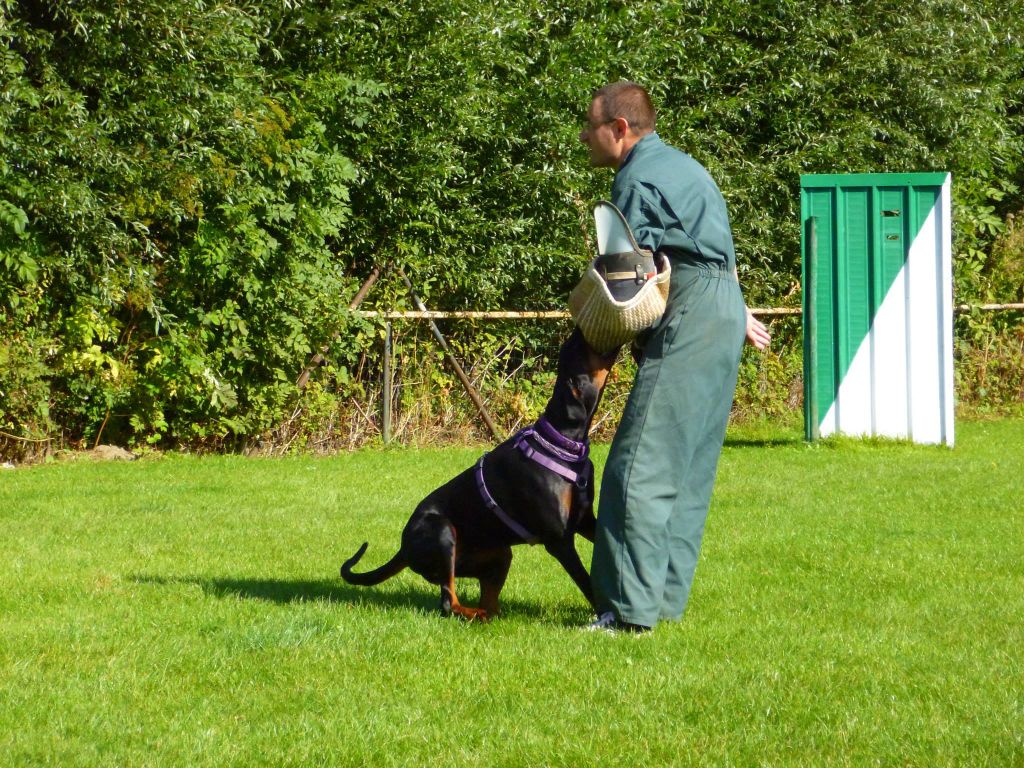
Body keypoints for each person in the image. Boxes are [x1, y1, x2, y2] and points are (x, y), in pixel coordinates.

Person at [579, 81, 771, 633]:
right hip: (719, 306)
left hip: (693, 310)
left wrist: (591, 332)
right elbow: (712, 255)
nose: (584, 138)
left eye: (590, 127)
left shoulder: (636, 177)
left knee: (638, 467)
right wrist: (730, 311)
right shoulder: (685, 166)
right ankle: (662, 601)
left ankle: (627, 614)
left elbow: (625, 277)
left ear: (619, 129)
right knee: (687, 471)